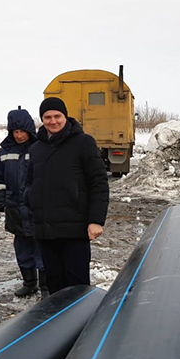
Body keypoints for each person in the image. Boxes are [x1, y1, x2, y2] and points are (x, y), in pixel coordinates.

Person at [25, 97, 109, 294]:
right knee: (54, 284)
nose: (53, 121)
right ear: (42, 119)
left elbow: (98, 182)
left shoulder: (83, 143)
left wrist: (96, 220)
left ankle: (81, 324)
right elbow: (29, 182)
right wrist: (30, 200)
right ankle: (58, 323)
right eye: (47, 117)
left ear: (65, 116)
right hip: (46, 230)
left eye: (57, 116)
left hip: (75, 228)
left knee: (76, 286)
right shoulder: (36, 148)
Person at [0, 108, 49, 299]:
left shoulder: (39, 148)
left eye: (22, 131)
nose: (19, 135)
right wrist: (2, 203)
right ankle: (29, 283)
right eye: (15, 132)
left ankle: (45, 286)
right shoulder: (4, 152)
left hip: (37, 208)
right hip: (14, 208)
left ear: (28, 130)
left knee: (41, 248)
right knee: (22, 247)